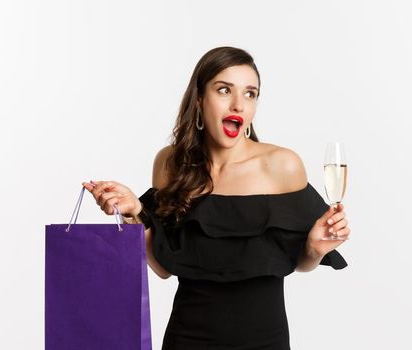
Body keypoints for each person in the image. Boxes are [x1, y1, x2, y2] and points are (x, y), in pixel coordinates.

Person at [81, 46, 351, 350]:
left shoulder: (282, 165)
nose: (239, 104)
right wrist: (134, 212)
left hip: (265, 341)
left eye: (250, 94)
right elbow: (164, 267)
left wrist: (314, 249)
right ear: (199, 98)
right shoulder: (170, 164)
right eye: (224, 90)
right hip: (187, 339)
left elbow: (298, 262)